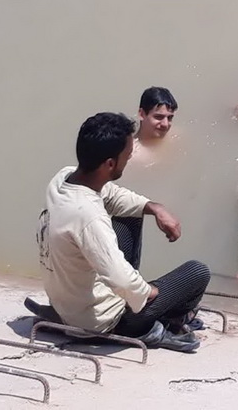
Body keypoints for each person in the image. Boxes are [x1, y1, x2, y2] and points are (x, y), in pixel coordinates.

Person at [36, 112, 210, 352]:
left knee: (132, 213)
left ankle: (148, 309)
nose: (129, 160)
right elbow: (122, 281)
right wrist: (152, 291)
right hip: (102, 322)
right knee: (197, 273)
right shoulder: (88, 215)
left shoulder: (64, 178)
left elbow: (114, 195)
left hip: (67, 303)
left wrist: (154, 208)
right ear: (110, 163)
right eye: (127, 156)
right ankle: (156, 325)